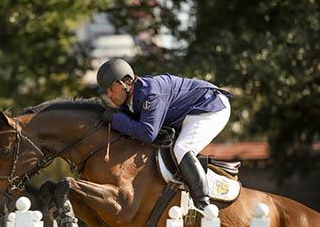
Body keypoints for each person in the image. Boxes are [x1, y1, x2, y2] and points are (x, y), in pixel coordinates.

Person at [96, 58, 233, 210]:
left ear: (126, 83)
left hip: (210, 106)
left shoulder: (150, 93)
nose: (108, 95)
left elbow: (148, 133)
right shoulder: (130, 99)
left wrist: (115, 119)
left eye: (111, 89)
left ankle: (203, 204)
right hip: (188, 112)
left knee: (182, 148)